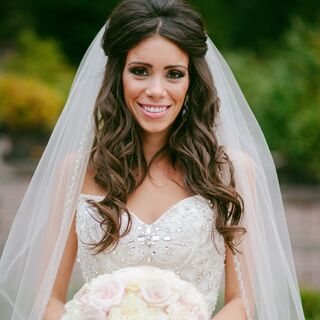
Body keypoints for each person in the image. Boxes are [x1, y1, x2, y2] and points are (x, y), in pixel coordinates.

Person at [0, 0, 305, 319]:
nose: (156, 90)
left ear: (192, 82)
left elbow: (241, 302)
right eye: (140, 71)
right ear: (118, 75)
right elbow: (47, 298)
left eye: (174, 74)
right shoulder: (76, 172)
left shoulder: (232, 171)